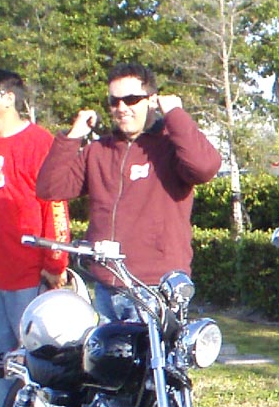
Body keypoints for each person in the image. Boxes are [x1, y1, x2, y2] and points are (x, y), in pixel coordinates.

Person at [37, 62, 221, 321]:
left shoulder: (171, 147)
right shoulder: (99, 151)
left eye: (131, 99)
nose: (122, 108)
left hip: (155, 287)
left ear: (152, 100)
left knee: (153, 351)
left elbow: (205, 167)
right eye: (114, 101)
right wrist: (74, 134)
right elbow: (49, 187)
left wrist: (175, 114)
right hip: (105, 285)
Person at [0, 69, 70, 407]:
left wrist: (55, 261)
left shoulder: (39, 142)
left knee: (32, 359)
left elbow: (56, 204)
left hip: (29, 273)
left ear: (8, 97)